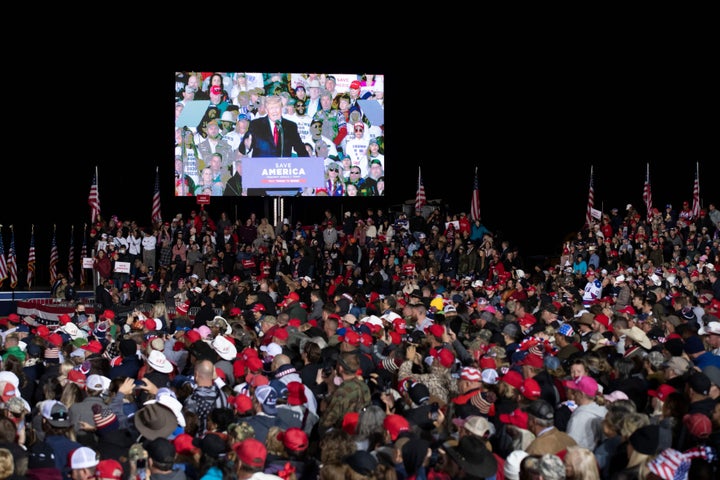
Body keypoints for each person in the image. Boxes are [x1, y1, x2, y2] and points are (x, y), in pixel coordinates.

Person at [239, 95, 309, 158]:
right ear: (266, 110)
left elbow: (301, 150)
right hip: (261, 169)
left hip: (283, 169)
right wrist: (246, 145)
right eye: (271, 108)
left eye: (277, 108)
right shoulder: (256, 124)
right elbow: (242, 149)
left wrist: (310, 165)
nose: (274, 111)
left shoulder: (291, 126)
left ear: (281, 108)